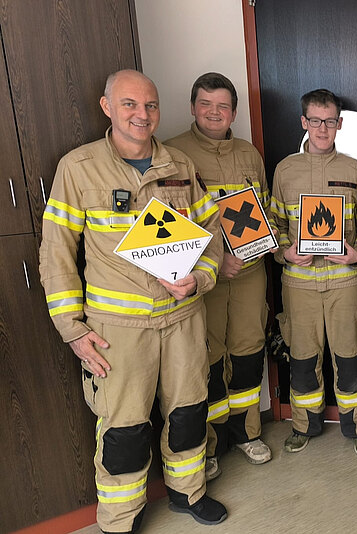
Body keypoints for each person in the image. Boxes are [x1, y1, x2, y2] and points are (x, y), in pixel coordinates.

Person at [39, 70, 227, 532]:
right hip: (116, 331)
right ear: (107, 107)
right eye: (129, 104)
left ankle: (188, 492)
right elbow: (56, 251)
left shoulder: (180, 165)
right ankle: (120, 518)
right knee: (123, 429)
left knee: (188, 414)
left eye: (150, 105)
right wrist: (72, 328)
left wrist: (200, 279)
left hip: (183, 319)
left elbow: (212, 234)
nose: (141, 115)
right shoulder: (79, 168)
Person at [165, 72, 272, 481]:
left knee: (248, 349)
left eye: (223, 106)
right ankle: (210, 445)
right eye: (206, 104)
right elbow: (168, 226)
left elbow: (261, 209)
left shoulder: (249, 153)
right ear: (193, 107)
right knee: (206, 357)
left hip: (250, 273)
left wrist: (258, 247)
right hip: (202, 279)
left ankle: (247, 433)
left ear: (234, 112)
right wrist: (214, 260)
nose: (214, 113)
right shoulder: (173, 154)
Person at [269, 89, 357, 456]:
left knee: (350, 358)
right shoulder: (285, 170)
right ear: (304, 122)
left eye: (330, 121)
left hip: (345, 282)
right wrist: (285, 252)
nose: (322, 128)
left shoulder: (355, 170)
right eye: (315, 120)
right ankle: (304, 426)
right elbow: (275, 224)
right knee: (302, 360)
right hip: (298, 285)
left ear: (339, 123)